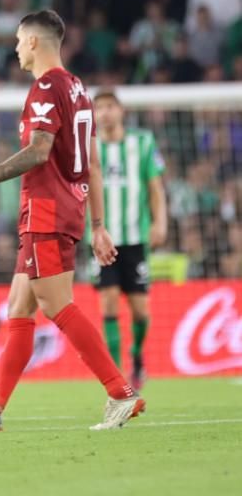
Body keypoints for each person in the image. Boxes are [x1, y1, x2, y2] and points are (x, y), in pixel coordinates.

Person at [0, 10, 144, 432]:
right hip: (67, 208)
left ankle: (120, 392)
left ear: (34, 42)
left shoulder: (44, 88)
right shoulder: (77, 88)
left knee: (57, 305)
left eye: (19, 41)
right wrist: (98, 224)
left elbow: (38, 151)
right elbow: (92, 162)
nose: (16, 48)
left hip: (46, 210)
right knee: (20, 307)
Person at [92, 91, 167, 390]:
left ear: (121, 111)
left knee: (140, 309)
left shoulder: (143, 142)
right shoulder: (89, 146)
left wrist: (160, 222)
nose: (105, 113)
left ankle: (136, 356)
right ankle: (116, 375)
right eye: (99, 108)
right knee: (108, 302)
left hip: (135, 238)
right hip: (99, 239)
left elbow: (155, 187)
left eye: (110, 106)